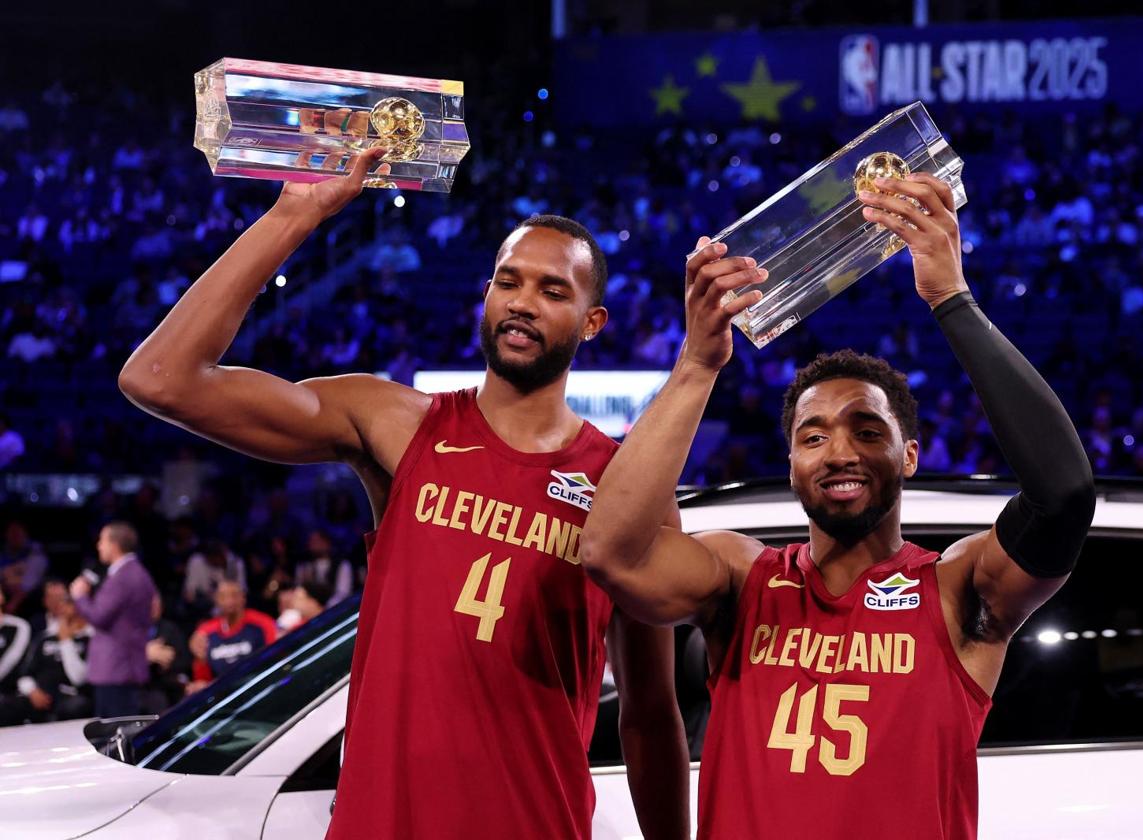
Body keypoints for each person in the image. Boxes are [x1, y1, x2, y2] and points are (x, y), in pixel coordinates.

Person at [119, 147, 688, 839]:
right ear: (485, 293)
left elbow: (651, 713)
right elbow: (160, 378)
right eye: (508, 281)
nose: (523, 303)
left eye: (553, 290)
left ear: (592, 322)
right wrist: (293, 215)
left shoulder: (627, 486)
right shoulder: (396, 424)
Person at [581, 173, 1096, 839]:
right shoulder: (741, 581)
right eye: (813, 436)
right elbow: (609, 554)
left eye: (867, 430)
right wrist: (698, 364)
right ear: (791, 463)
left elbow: (1063, 495)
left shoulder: (955, 591)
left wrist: (952, 299)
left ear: (910, 455)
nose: (838, 452)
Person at [70, 522, 156, 718]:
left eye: (102, 541)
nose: (98, 546)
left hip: (117, 668)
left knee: (114, 733)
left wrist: (80, 596)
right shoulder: (134, 572)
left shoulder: (124, 575)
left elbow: (99, 616)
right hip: (121, 667)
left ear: (114, 544)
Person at [0, 595, 91, 726]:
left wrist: (65, 641)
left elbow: (79, 678)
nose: (62, 609)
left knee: (75, 707)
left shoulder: (89, 639)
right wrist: (32, 691)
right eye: (61, 604)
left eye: (68, 604)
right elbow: (25, 675)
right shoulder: (44, 638)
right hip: (38, 695)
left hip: (69, 696)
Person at [188, 579, 276, 692]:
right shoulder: (205, 632)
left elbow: (274, 658)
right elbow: (202, 677)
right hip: (221, 694)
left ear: (243, 598)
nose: (229, 601)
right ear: (216, 600)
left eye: (234, 596)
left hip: (257, 687)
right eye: (223, 597)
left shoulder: (262, 624)